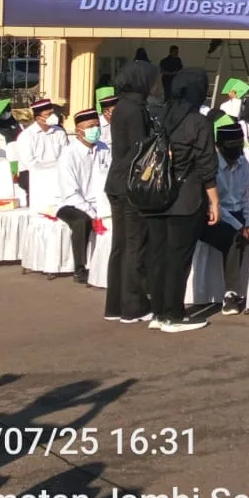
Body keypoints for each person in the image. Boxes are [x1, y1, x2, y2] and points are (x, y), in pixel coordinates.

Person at [140, 68, 219, 331]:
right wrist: (214, 201)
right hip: (185, 196)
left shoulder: (157, 116)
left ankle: (158, 312)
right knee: (178, 257)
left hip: (154, 193)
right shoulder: (198, 122)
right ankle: (175, 314)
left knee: (158, 254)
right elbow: (207, 166)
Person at [104, 59, 158, 324]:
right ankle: (134, 305)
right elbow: (142, 149)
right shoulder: (136, 109)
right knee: (136, 244)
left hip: (116, 181)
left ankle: (115, 304)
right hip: (131, 184)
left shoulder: (121, 106)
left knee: (121, 245)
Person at [197, 121, 249, 316]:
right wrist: (240, 226)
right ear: (219, 146)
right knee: (233, 238)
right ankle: (231, 294)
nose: (237, 150)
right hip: (214, 216)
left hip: (239, 214)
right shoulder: (211, 165)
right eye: (232, 146)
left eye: (240, 145)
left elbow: (248, 196)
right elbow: (214, 203)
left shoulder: (243, 162)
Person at [54, 109, 110, 284]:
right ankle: (79, 268)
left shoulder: (104, 148)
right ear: (79, 131)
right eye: (90, 127)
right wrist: (92, 213)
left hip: (101, 201)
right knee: (81, 221)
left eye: (97, 126)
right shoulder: (68, 154)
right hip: (71, 203)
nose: (96, 130)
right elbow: (70, 193)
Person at [13, 97, 69, 195]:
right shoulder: (26, 135)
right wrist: (47, 173)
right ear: (38, 118)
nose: (54, 116)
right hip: (32, 174)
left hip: (58, 172)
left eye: (53, 113)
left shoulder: (59, 132)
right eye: (49, 114)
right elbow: (29, 162)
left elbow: (67, 155)